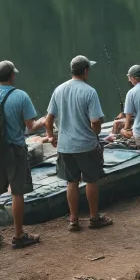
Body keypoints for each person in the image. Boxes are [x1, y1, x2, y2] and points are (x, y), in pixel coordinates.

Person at [0, 60, 45, 250]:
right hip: (16, 151)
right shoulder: (21, 96)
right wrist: (45, 120)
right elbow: (31, 126)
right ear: (12, 76)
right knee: (17, 192)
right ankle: (19, 235)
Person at [44, 55, 113, 232]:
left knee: (71, 182)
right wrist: (95, 133)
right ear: (86, 71)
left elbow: (48, 120)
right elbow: (96, 121)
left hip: (65, 147)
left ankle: (73, 220)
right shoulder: (90, 92)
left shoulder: (59, 90)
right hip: (86, 145)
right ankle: (94, 218)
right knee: (91, 181)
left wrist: (51, 136)